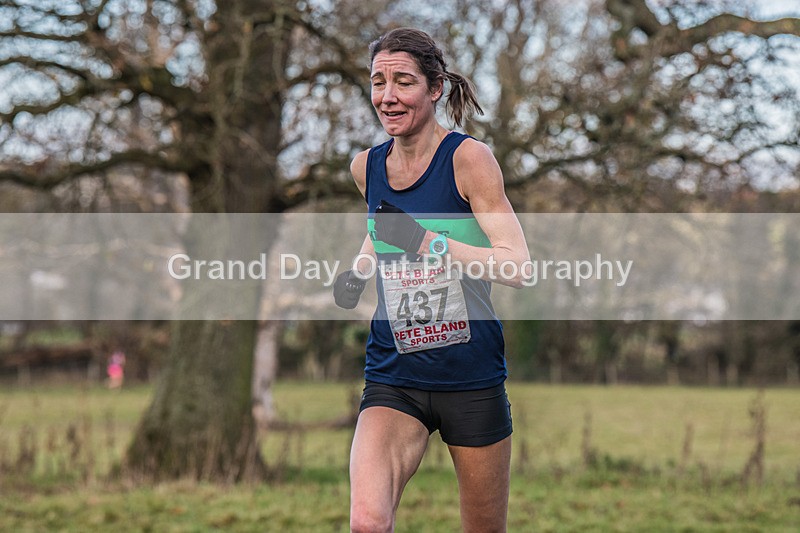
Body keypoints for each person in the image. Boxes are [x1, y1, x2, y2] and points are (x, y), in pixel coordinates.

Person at [333, 27, 531, 533]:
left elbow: (517, 266)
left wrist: (427, 243)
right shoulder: (366, 167)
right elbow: (380, 232)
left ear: (435, 88)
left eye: (403, 81)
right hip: (394, 373)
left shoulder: (468, 159)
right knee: (367, 524)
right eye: (378, 81)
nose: (387, 95)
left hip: (471, 376)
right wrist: (355, 274)